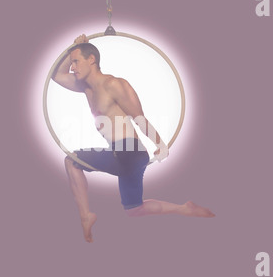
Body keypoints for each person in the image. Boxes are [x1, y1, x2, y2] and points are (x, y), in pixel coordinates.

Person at [52, 34, 215, 243]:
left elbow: (139, 118)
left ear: (91, 59)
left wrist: (160, 144)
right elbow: (56, 75)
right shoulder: (85, 87)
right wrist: (73, 49)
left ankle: (86, 216)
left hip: (130, 151)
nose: (72, 67)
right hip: (120, 154)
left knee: (72, 160)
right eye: (72, 62)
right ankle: (184, 208)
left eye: (76, 61)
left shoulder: (114, 84)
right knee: (134, 209)